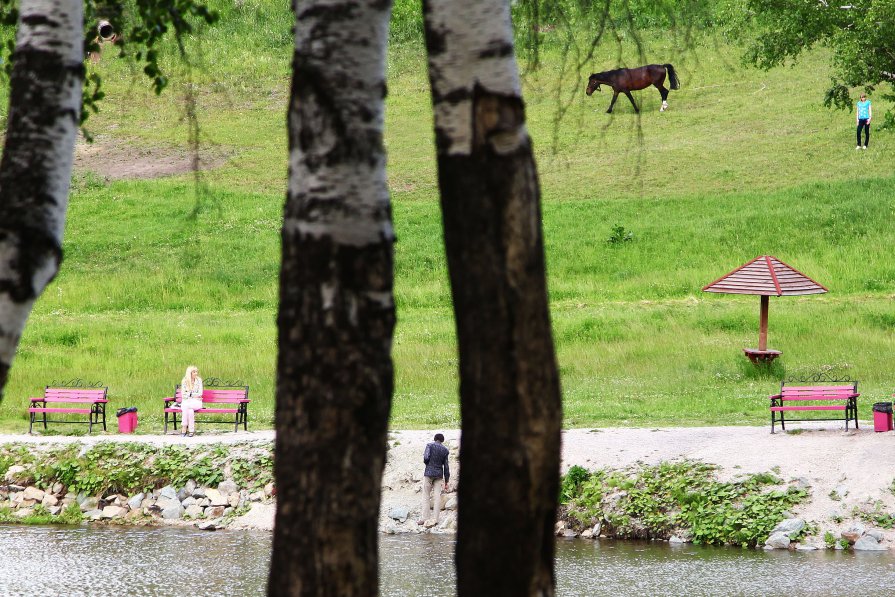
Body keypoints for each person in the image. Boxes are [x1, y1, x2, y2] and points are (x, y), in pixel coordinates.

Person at [418, 433, 451, 525]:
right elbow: (446, 467)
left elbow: (426, 458)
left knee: (426, 496)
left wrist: (428, 464)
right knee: (437, 497)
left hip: (428, 473)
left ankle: (425, 518)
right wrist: (447, 481)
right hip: (439, 474)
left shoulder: (429, 445)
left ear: (435, 439)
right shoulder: (445, 450)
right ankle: (435, 520)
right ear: (442, 440)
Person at [179, 365, 203, 437]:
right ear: (190, 373)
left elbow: (200, 393)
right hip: (187, 401)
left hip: (197, 402)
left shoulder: (199, 380)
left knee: (185, 406)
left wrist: (189, 394)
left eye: (196, 372)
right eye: (194, 372)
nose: (196, 373)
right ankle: (191, 430)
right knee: (190, 411)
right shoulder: (184, 381)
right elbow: (183, 394)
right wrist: (193, 395)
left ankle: (184, 427)